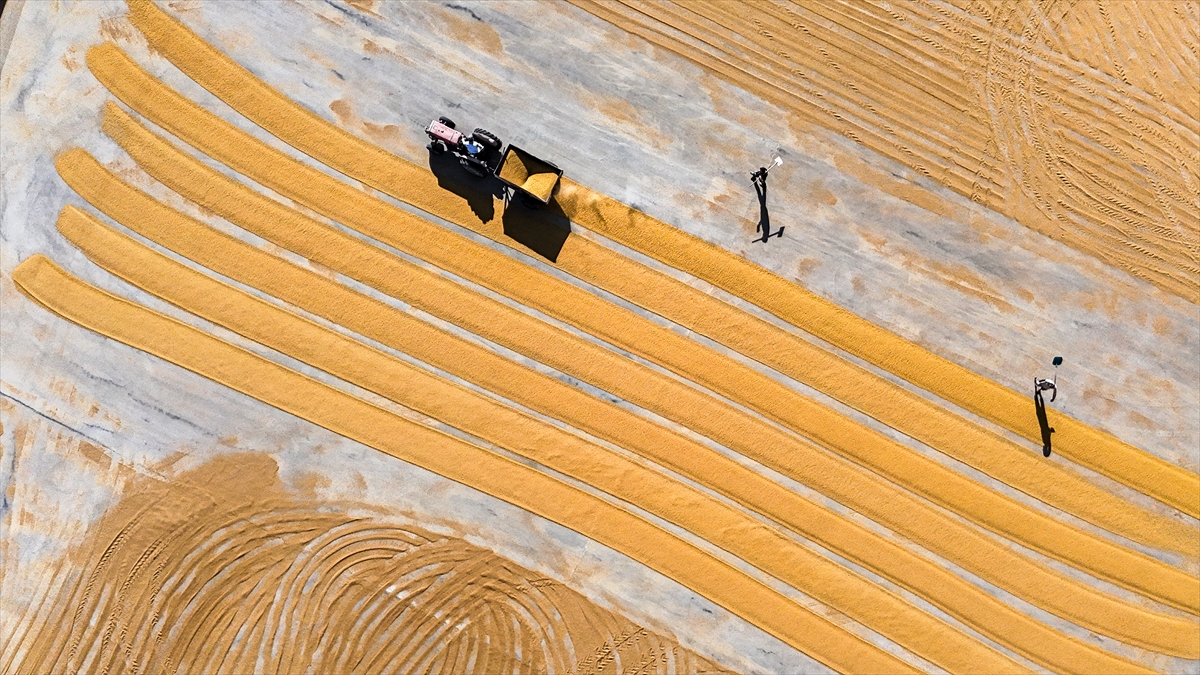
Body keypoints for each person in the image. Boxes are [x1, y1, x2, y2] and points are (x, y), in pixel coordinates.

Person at [751, 158, 784, 243]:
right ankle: (759, 180)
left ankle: (757, 179)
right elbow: (764, 222)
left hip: (763, 213)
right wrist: (759, 226)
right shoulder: (766, 231)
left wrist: (759, 225)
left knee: (760, 195)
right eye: (763, 237)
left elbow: (763, 222)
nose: (762, 236)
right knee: (761, 195)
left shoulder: (766, 231)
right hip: (764, 213)